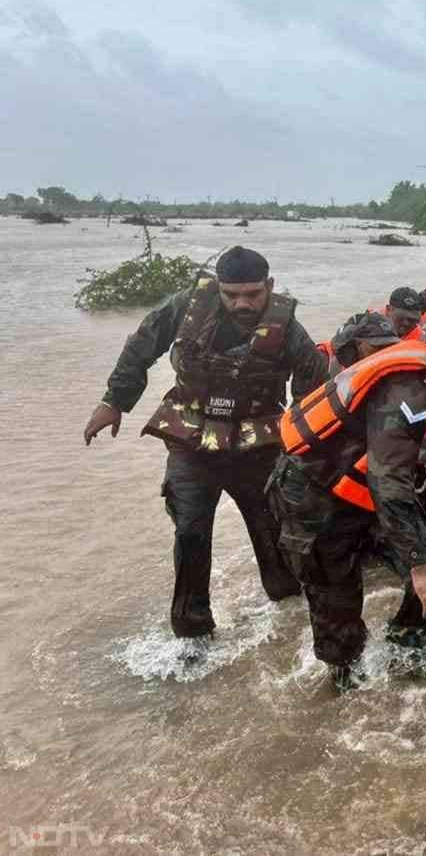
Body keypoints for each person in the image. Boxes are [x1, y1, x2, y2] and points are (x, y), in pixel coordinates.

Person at [83, 246, 327, 641]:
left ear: (269, 286)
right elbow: (142, 345)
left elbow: (313, 392)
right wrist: (114, 402)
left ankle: (289, 619)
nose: (242, 303)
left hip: (257, 447)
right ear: (219, 287)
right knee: (190, 532)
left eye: (252, 294)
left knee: (275, 535)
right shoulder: (187, 308)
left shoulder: (289, 328)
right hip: (192, 442)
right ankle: (192, 634)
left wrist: (316, 457)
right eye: (232, 294)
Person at [267, 326, 426, 692]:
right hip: (316, 496)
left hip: (367, 492)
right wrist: (416, 564)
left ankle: (404, 649)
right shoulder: (410, 390)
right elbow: (389, 478)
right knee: (339, 604)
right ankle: (345, 685)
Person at [324, 311, 401, 374]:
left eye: (389, 346)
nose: (383, 352)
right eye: (377, 346)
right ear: (359, 344)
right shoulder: (336, 367)